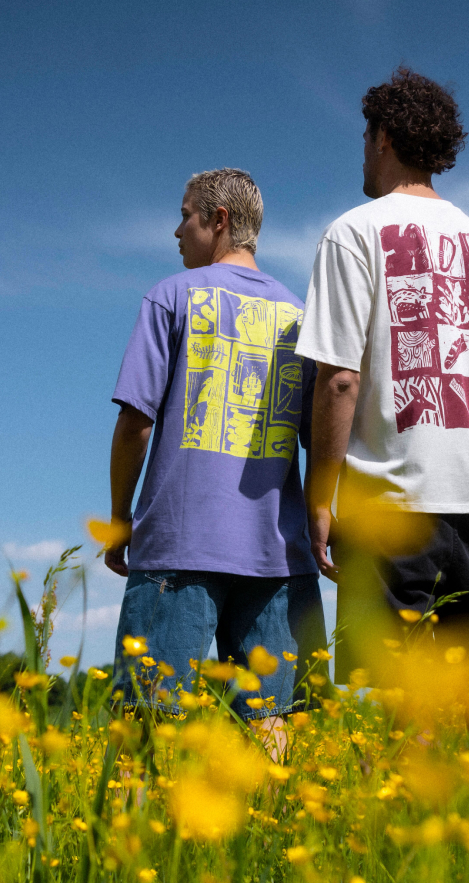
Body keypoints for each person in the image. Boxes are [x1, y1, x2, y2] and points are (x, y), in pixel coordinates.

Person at [296, 68, 469, 688]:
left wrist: (319, 496)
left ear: (381, 137)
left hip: (389, 510)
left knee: (395, 704)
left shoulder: (354, 233)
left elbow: (340, 381)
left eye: (364, 135)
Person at [105, 168, 326, 742]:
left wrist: (119, 516)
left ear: (218, 220)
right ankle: (274, 833)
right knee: (270, 725)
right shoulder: (302, 317)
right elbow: (319, 438)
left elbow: (136, 421)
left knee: (145, 723)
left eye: (185, 215)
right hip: (278, 553)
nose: (177, 231)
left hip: (180, 544)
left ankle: (138, 832)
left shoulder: (170, 296)